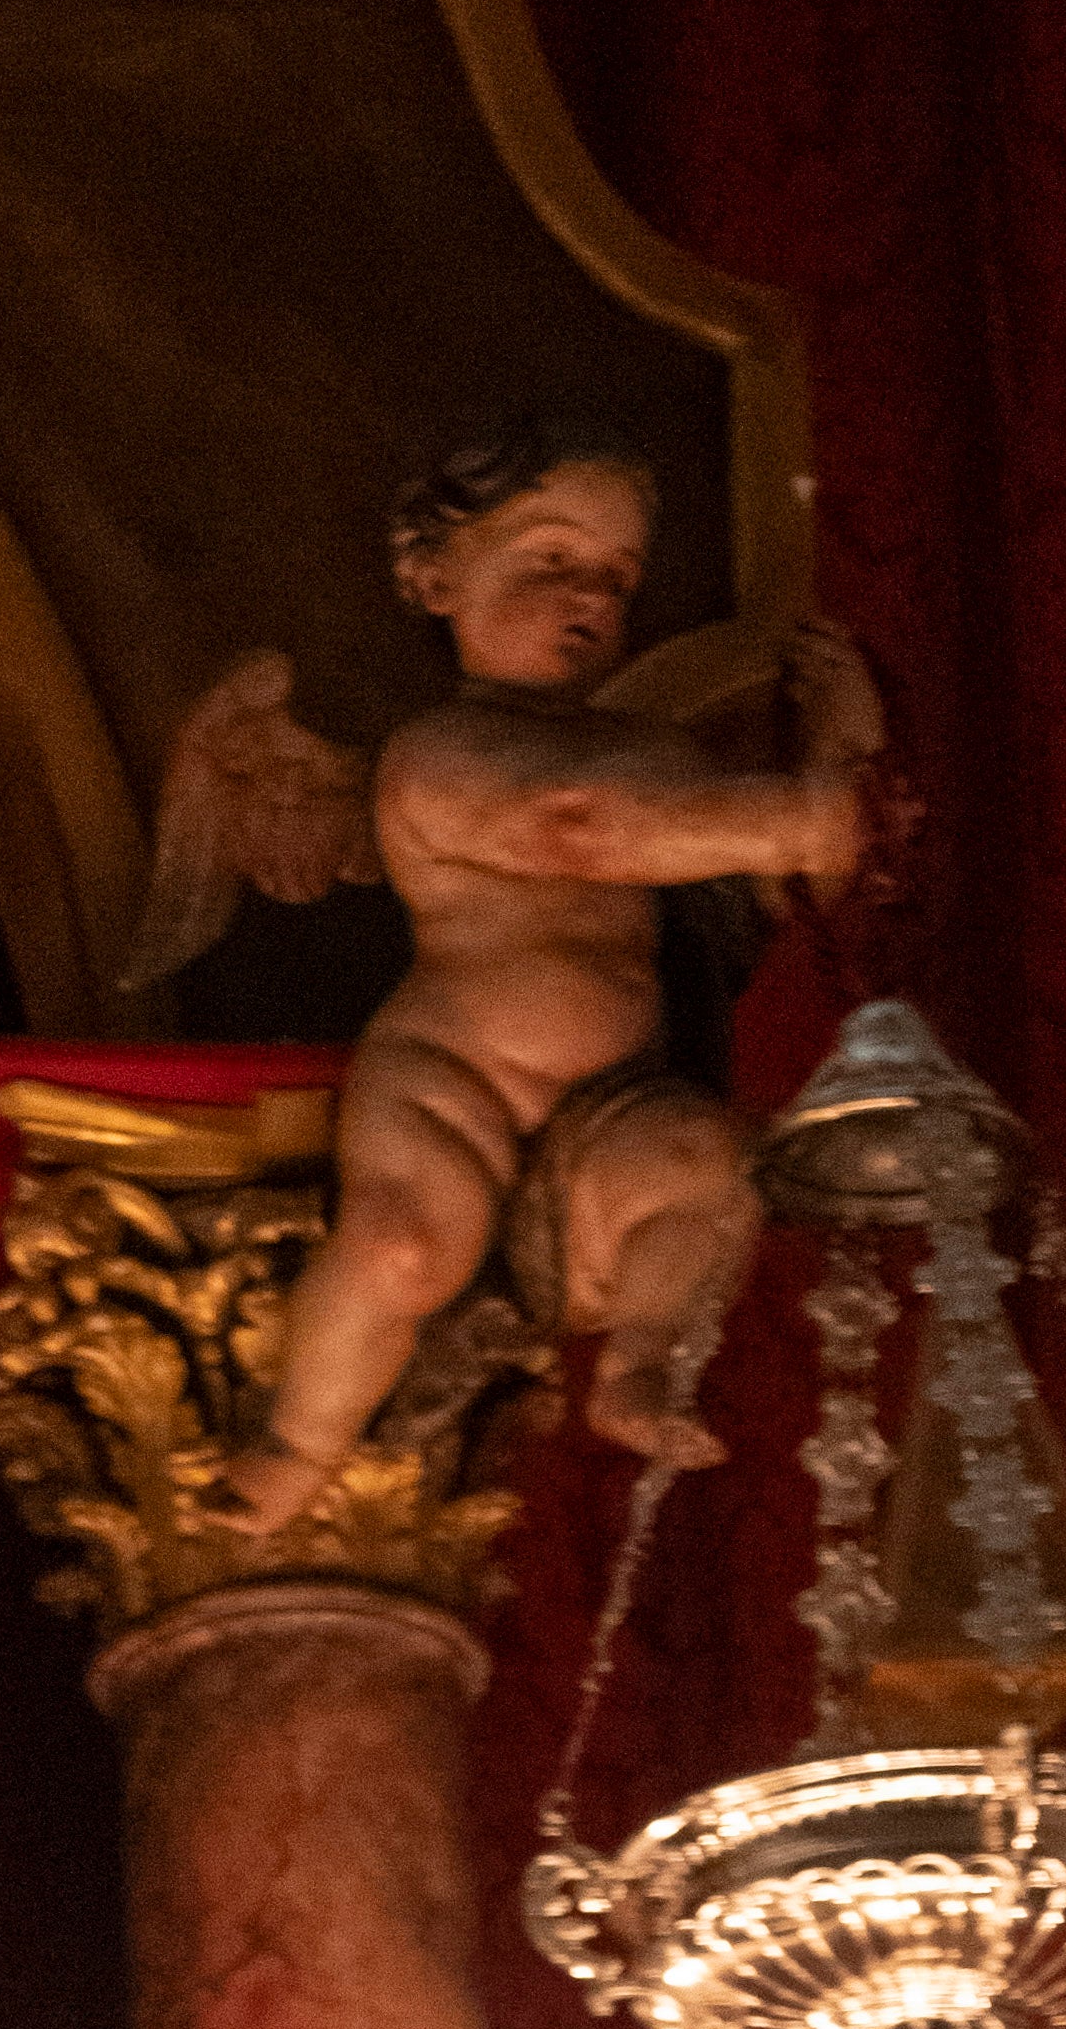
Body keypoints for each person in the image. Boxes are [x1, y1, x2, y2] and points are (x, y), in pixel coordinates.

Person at [124, 408, 885, 1497]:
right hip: (448, 1078)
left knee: (705, 1166)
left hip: (614, 1097)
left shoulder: (651, 749)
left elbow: (784, 898)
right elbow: (573, 826)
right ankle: (297, 1443)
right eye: (551, 562)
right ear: (435, 578)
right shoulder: (438, 751)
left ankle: (639, 1367)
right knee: (398, 1247)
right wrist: (803, 814)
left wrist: (840, 747)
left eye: (615, 580)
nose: (588, 599)